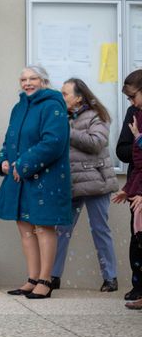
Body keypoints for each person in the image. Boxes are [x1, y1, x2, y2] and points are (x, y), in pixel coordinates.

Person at [0, 65, 72, 299]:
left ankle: (45, 280)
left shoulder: (53, 105)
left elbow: (53, 142)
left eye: (33, 78)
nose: (27, 83)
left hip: (45, 179)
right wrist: (4, 161)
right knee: (25, 228)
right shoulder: (18, 108)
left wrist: (23, 164)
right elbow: (9, 139)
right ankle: (32, 278)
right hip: (19, 177)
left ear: (44, 82)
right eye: (23, 79)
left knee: (43, 227)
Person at [51, 78, 119, 292]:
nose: (61, 97)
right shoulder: (61, 116)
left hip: (96, 183)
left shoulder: (97, 115)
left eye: (65, 94)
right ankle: (52, 277)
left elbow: (96, 142)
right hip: (71, 183)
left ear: (79, 97)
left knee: (100, 229)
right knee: (61, 231)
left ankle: (110, 278)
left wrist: (66, 132)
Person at [113, 69, 142, 306]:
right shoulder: (134, 113)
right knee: (137, 236)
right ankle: (138, 287)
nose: (131, 103)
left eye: (133, 96)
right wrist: (137, 143)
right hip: (136, 183)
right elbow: (122, 151)